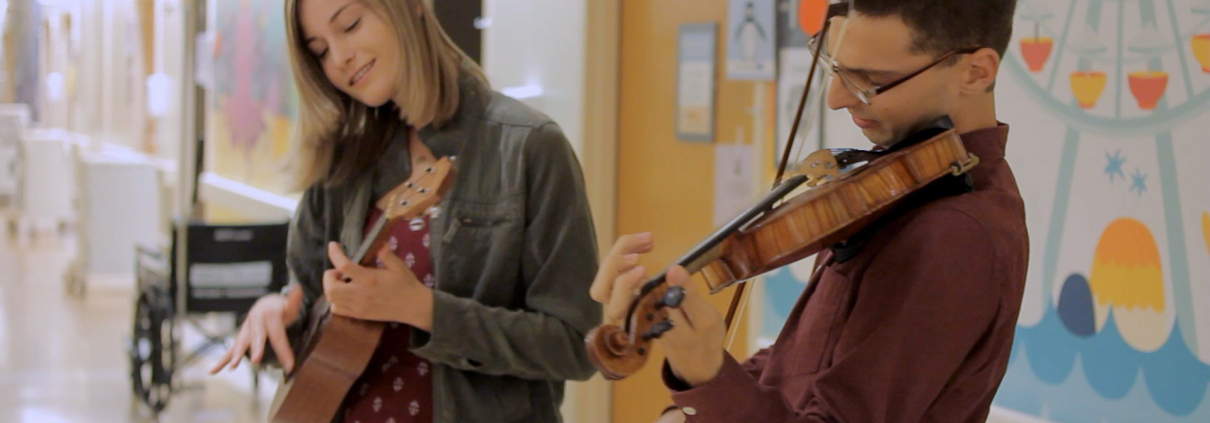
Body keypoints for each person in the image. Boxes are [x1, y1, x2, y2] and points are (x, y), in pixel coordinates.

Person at [591, 0, 1028, 421]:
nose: (836, 98)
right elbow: (800, 363)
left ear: (976, 71)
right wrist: (684, 407)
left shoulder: (954, 234)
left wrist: (707, 375)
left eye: (868, 79)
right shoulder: (890, 189)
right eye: (835, 69)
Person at [210, 1, 602, 422]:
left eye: (350, 24)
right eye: (320, 50)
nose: (340, 58)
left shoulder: (529, 147)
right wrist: (274, 314)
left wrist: (424, 310)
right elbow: (305, 311)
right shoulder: (341, 162)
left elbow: (575, 345)